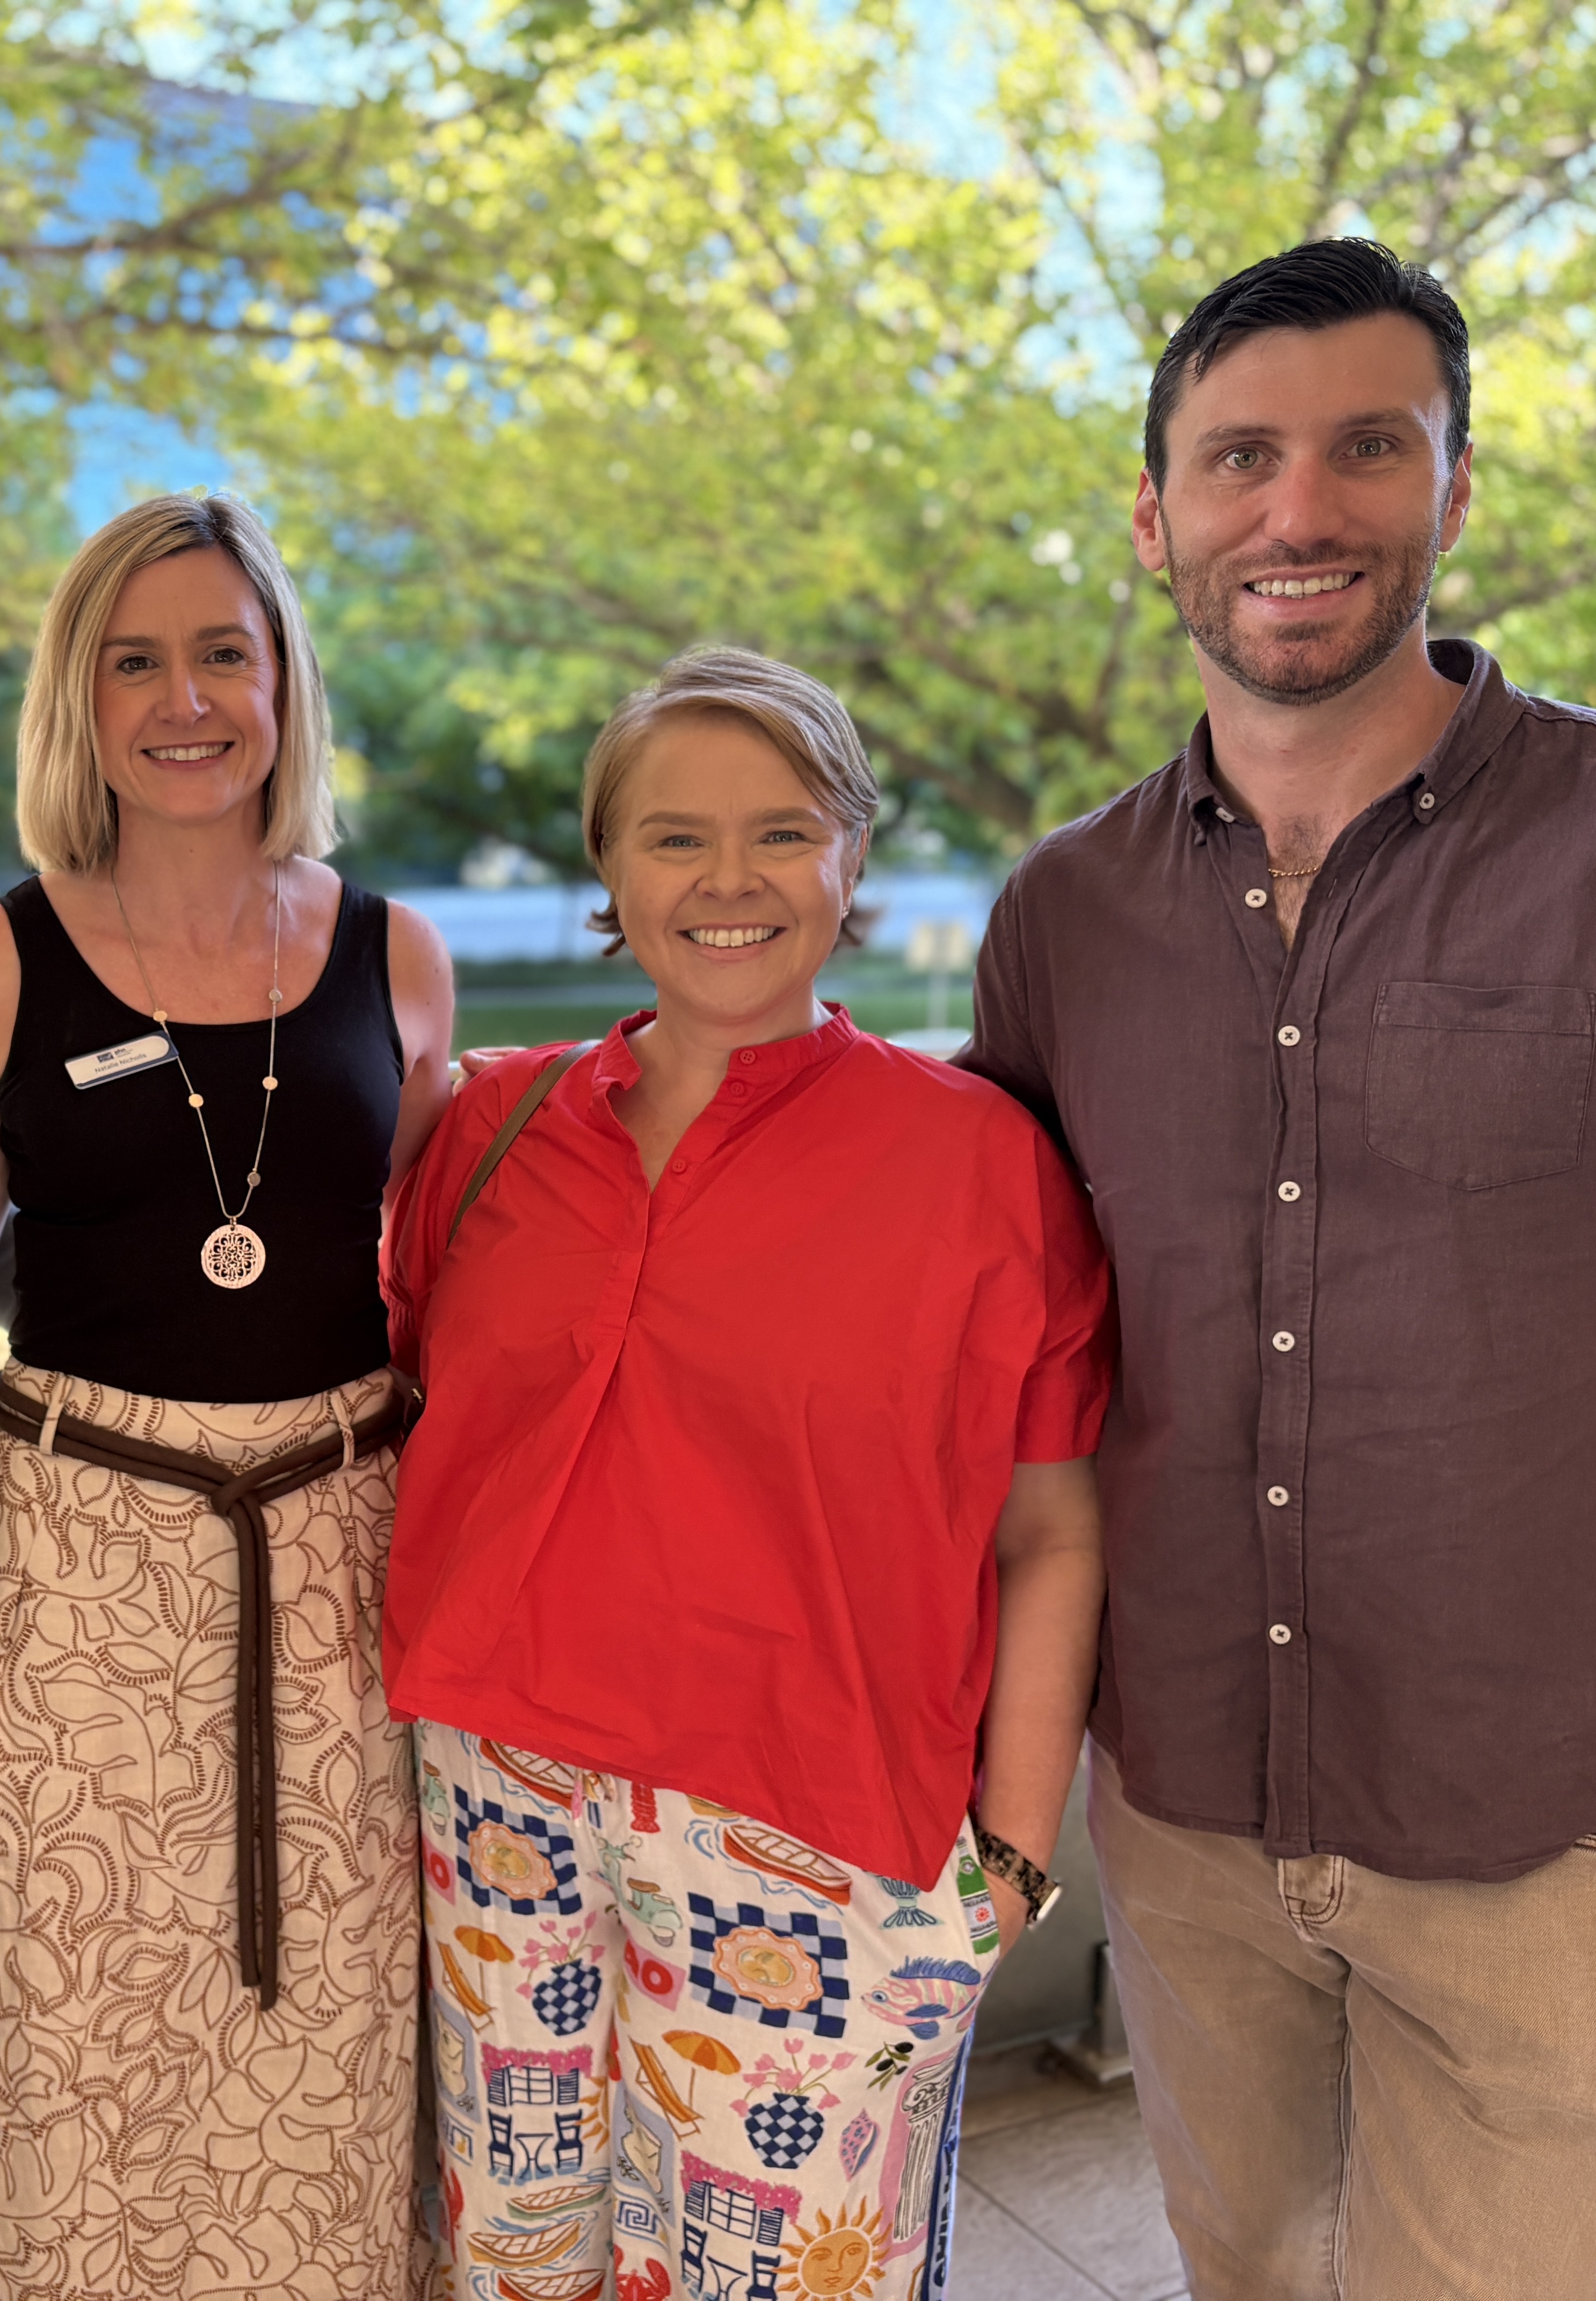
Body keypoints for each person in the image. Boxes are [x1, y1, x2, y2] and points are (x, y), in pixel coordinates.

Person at [959, 236, 1596, 2300]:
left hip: (1561, 1844)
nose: (1299, 509)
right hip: (1183, 1821)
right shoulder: (1060, 917)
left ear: (1455, 484)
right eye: (1240, 457)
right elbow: (999, 1364)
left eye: (1368, 448)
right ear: (1155, 514)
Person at [380, 648, 1113, 2301]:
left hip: (815, 1837)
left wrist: (1008, 1859)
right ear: (609, 867)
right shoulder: (493, 1128)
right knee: (515, 2267)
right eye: (675, 837)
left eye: (782, 832)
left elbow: (1055, 1527)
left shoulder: (981, 1164)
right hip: (502, 1801)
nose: (730, 880)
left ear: (853, 856)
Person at [0, 493, 458, 2299]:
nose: (185, 698)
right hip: (77, 1578)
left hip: (335, 1566)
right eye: (135, 660)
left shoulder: (396, 957)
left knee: (330, 2035)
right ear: (80, 694)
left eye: (225, 652)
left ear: (285, 683)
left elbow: (435, 1275)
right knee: (61, 2038)